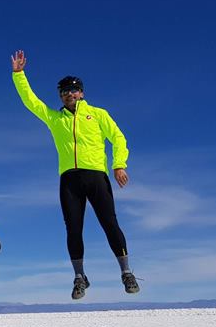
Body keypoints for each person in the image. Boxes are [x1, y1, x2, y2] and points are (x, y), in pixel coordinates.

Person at [11, 49, 139, 299]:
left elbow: (118, 138)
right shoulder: (55, 119)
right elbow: (31, 101)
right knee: (73, 229)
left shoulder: (98, 114)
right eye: (65, 91)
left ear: (81, 92)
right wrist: (19, 74)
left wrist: (119, 164)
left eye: (74, 90)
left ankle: (126, 273)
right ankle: (80, 278)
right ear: (61, 96)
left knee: (110, 224)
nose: (70, 94)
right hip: (69, 180)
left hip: (96, 177)